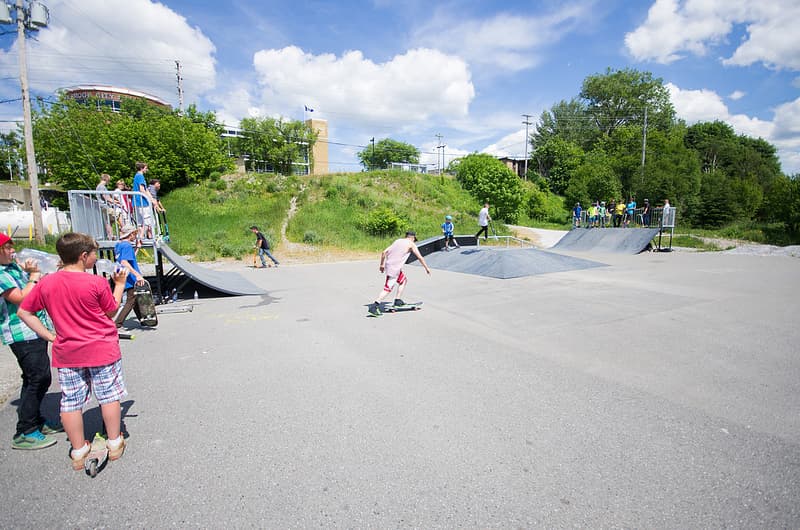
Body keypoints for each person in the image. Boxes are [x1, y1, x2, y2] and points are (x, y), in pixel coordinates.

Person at [18, 232, 129, 471]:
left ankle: (78, 450)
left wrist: (49, 336)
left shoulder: (47, 282)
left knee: (71, 401)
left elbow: (24, 312)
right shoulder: (96, 283)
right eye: (94, 255)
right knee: (108, 395)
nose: (96, 259)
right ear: (83, 256)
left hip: (67, 351)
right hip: (101, 348)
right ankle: (114, 441)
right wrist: (119, 285)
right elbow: (111, 311)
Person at [0, 233, 61, 450]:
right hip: (21, 332)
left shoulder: (13, 268)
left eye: (11, 246)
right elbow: (21, 298)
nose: (11, 251)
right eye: (6, 248)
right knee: (39, 377)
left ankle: (36, 422)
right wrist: (34, 275)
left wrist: (34, 272)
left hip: (35, 329)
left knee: (35, 377)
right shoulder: (1, 274)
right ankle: (24, 431)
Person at [367, 231, 431, 317]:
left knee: (403, 281)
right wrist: (426, 268)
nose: (414, 241)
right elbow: (419, 257)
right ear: (412, 238)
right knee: (388, 288)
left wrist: (382, 265)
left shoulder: (398, 241)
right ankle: (375, 306)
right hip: (394, 269)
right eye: (414, 240)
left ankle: (397, 300)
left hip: (391, 266)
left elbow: (384, 252)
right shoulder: (411, 244)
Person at [113, 225, 146, 328]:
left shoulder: (119, 245)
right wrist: (137, 275)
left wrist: (137, 248)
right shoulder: (127, 246)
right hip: (130, 276)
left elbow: (129, 259)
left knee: (134, 299)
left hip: (123, 274)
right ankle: (117, 324)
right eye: (135, 234)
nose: (135, 236)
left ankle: (143, 320)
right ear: (131, 234)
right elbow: (124, 262)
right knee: (131, 300)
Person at [131, 162, 156, 239]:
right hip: (142, 201)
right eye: (146, 168)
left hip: (137, 201)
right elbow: (142, 189)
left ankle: (142, 236)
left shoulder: (136, 176)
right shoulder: (140, 176)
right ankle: (141, 236)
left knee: (140, 221)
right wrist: (151, 200)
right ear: (141, 168)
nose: (147, 170)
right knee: (148, 220)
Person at [95, 173, 116, 239]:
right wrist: (116, 202)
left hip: (104, 205)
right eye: (109, 180)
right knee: (116, 216)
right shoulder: (101, 186)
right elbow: (105, 197)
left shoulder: (100, 186)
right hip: (105, 205)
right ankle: (110, 235)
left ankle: (110, 235)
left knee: (109, 221)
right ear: (106, 179)